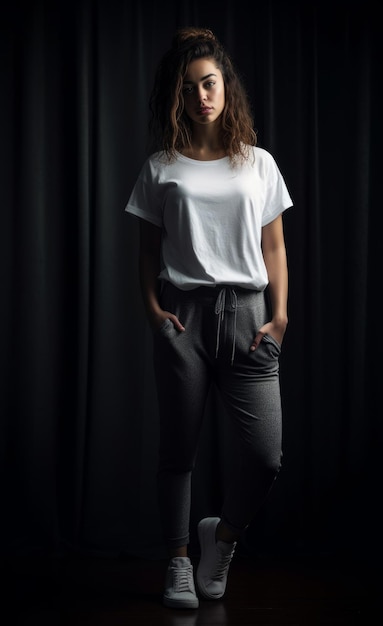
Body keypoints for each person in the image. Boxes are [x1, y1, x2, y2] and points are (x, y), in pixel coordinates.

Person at [125, 26, 293, 609]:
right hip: (185, 319)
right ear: (178, 95)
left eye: (211, 83)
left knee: (266, 457)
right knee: (178, 451)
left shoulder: (258, 163)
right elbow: (147, 251)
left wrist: (280, 317)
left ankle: (219, 539)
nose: (203, 95)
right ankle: (176, 559)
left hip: (249, 320)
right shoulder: (161, 167)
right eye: (192, 86)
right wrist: (152, 310)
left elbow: (275, 248)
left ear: (226, 87)